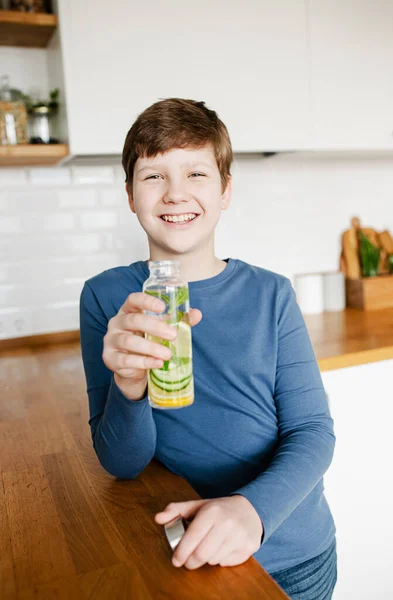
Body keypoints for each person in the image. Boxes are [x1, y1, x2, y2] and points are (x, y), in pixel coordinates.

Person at [79, 98, 337, 599]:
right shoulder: (107, 299)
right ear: (130, 195)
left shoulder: (273, 294)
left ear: (225, 191)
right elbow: (121, 462)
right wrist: (129, 387)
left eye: (196, 173)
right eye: (153, 176)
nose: (175, 193)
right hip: (187, 553)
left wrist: (251, 509)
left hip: (292, 554)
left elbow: (313, 432)